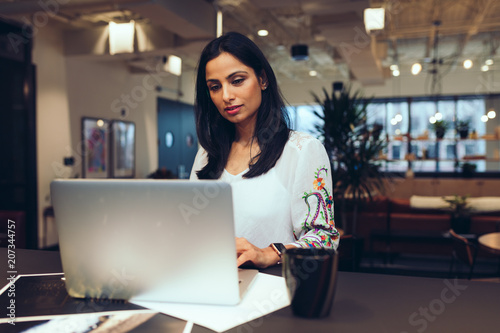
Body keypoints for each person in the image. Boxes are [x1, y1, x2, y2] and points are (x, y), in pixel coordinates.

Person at [190, 31, 339, 268]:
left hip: (272, 290)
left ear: (262, 79)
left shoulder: (302, 150)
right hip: (211, 284)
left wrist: (271, 253)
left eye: (237, 80)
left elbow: (325, 238)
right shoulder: (207, 154)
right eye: (215, 86)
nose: (226, 96)